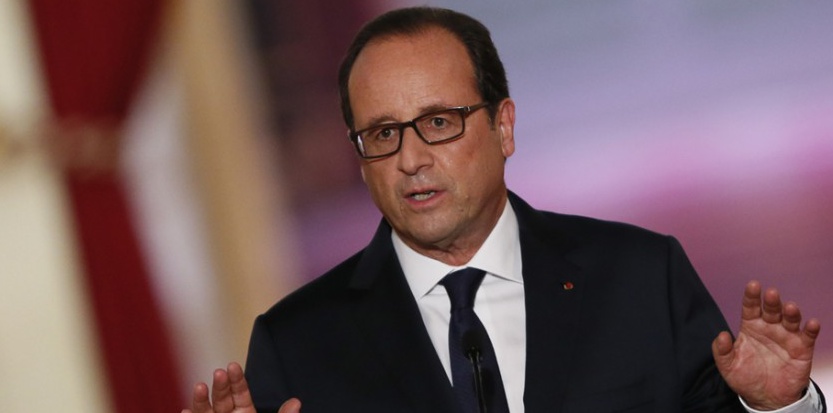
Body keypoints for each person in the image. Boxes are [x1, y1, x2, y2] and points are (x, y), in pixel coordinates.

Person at [184, 6, 824, 413]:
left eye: (438, 122)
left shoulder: (638, 275)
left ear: (504, 127)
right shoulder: (299, 342)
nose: (410, 160)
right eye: (382, 135)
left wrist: (776, 409)